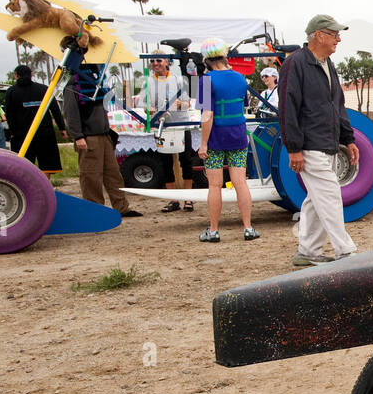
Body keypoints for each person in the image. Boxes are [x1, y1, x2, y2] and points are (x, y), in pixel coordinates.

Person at [279, 14, 360, 265]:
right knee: (329, 195)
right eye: (334, 34)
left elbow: (338, 105)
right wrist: (294, 148)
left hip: (327, 143)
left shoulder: (328, 64)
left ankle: (307, 252)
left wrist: (348, 139)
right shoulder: (295, 64)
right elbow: (287, 107)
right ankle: (346, 251)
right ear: (319, 36)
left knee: (317, 199)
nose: (338, 39)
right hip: (309, 144)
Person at [194, 38, 258, 243]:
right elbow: (242, 106)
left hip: (216, 139)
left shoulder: (206, 80)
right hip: (238, 136)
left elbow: (207, 115)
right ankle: (248, 227)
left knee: (215, 185)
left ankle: (213, 231)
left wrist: (203, 143)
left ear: (206, 59)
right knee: (240, 182)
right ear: (224, 55)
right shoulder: (240, 78)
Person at [61, 59, 140, 217]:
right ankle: (95, 210)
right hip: (89, 137)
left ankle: (122, 207)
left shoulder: (95, 87)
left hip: (104, 136)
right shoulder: (73, 87)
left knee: (113, 174)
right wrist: (77, 136)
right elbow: (71, 114)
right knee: (91, 176)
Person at [144, 51, 195, 213]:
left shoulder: (179, 80)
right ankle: (173, 199)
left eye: (158, 60)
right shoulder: (148, 82)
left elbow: (188, 103)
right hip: (162, 126)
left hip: (181, 124)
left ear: (167, 62)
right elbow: (145, 104)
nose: (155, 64)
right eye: (152, 61)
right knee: (165, 161)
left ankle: (189, 198)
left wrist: (177, 105)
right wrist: (153, 111)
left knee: (186, 159)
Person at [3, 64, 62, 170]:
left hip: (22, 135)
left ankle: (26, 186)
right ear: (31, 75)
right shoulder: (44, 89)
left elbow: (9, 114)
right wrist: (62, 128)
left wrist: (12, 132)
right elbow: (55, 110)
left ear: (16, 75)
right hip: (45, 133)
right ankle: (44, 185)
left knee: (23, 165)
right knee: (47, 164)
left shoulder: (11, 92)